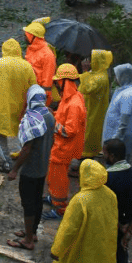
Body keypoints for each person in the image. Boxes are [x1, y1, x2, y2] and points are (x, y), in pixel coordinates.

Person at [47, 159, 119, 263]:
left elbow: (68, 230)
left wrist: (56, 251)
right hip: (99, 253)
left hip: (77, 252)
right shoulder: (110, 195)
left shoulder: (80, 200)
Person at [6, 85, 55, 251]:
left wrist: (15, 169)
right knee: (37, 200)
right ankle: (32, 232)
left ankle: (28, 240)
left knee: (28, 203)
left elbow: (26, 148)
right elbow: (52, 141)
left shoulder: (32, 118)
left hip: (30, 169)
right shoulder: (49, 116)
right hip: (42, 167)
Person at [0, 38, 37, 171]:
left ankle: (7, 162)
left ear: (4, 50)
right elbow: (33, 86)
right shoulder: (26, 66)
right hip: (19, 107)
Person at [45, 64, 86, 219]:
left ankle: (60, 208)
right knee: (54, 176)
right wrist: (53, 113)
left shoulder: (74, 103)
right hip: (59, 146)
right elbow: (62, 115)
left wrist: (52, 123)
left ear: (65, 82)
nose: (56, 84)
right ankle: (54, 199)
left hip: (64, 149)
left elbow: (69, 130)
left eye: (58, 81)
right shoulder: (69, 98)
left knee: (59, 179)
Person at [103, 64, 132, 162]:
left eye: (117, 75)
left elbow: (124, 120)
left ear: (123, 76)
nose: (115, 78)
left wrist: (115, 141)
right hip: (119, 137)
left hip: (118, 139)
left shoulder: (127, 95)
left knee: (116, 164)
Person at [79, 49, 113, 159]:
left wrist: (84, 71)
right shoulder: (97, 73)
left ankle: (86, 158)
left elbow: (86, 88)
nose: (89, 62)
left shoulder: (100, 78)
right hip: (89, 108)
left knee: (89, 134)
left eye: (91, 60)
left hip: (93, 112)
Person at [22, 21, 56, 102]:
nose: (25, 37)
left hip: (38, 93)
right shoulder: (30, 48)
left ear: (33, 36)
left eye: (26, 35)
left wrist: (42, 98)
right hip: (28, 89)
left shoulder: (47, 55)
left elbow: (48, 79)